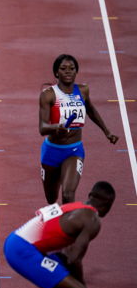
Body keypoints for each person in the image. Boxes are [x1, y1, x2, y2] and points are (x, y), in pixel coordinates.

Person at [39, 54, 118, 204]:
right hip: (52, 151)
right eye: (63, 69)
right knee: (51, 199)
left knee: (68, 195)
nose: (68, 71)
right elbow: (42, 128)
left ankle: (68, 227)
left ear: (76, 72)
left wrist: (107, 131)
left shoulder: (83, 91)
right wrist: (56, 127)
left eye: (72, 68)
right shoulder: (48, 95)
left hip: (74, 151)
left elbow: (91, 110)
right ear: (56, 73)